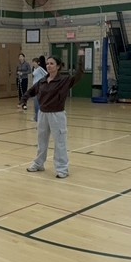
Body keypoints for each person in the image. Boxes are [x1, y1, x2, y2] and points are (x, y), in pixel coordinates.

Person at [21, 49, 85, 178]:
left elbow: (79, 74)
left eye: (52, 64)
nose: (48, 66)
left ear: (58, 66)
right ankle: (39, 163)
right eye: (47, 63)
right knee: (41, 141)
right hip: (43, 114)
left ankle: (62, 169)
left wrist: (80, 59)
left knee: (59, 142)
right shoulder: (43, 81)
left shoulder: (65, 80)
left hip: (57, 115)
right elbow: (31, 91)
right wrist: (23, 99)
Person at [30, 58, 48, 122]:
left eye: (35, 62)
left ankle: (38, 118)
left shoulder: (40, 69)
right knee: (35, 103)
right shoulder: (34, 69)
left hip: (40, 88)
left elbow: (46, 74)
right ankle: (36, 117)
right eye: (33, 62)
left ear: (38, 63)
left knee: (38, 103)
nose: (33, 63)